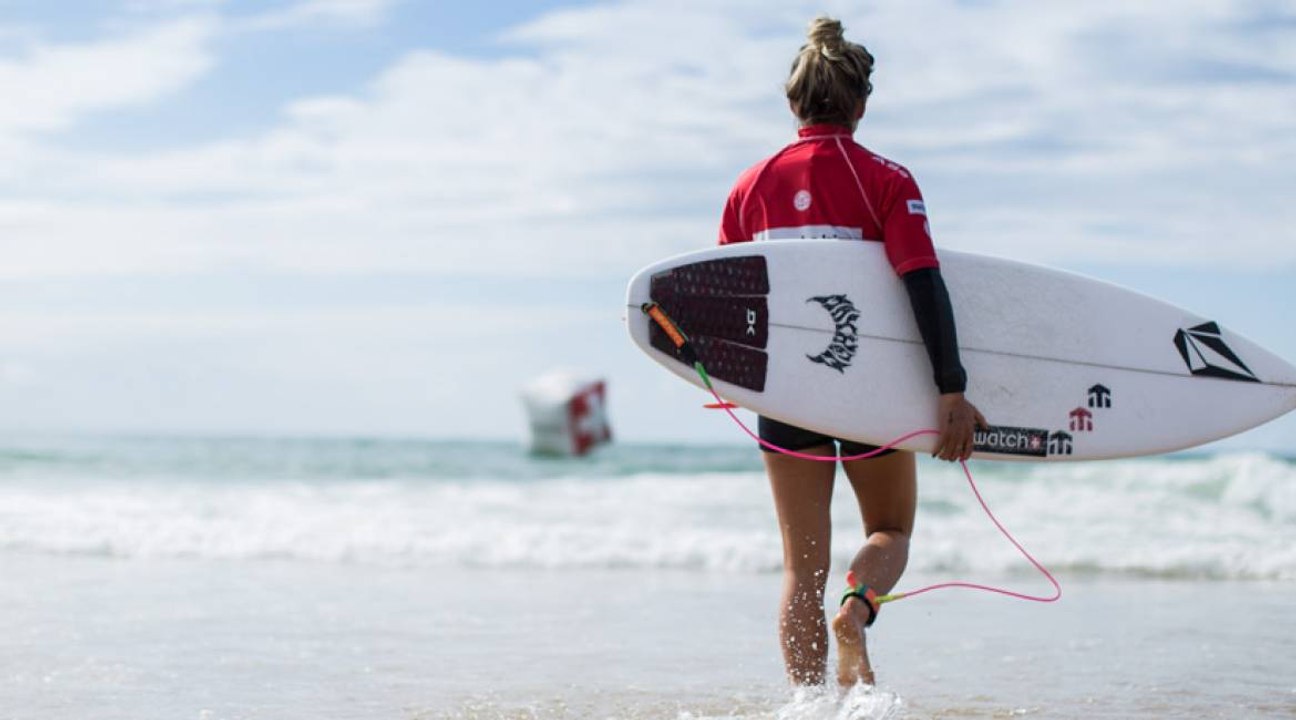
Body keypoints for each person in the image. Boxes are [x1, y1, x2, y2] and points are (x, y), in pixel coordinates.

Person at [717, 16, 986, 687]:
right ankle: (856, 611)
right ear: (861, 105)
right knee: (891, 529)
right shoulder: (887, 181)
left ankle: (807, 705)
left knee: (799, 568)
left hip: (786, 395)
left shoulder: (750, 187)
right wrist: (950, 387)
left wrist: (740, 384)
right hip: (872, 395)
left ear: (792, 104)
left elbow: (727, 303)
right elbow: (923, 283)